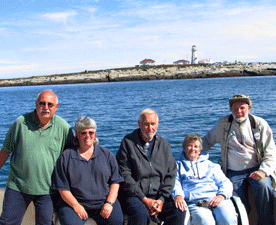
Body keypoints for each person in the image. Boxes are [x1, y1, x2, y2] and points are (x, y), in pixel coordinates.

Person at [0, 90, 74, 225]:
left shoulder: (64, 128)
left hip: (47, 190)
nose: (45, 107)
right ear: (36, 104)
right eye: (42, 103)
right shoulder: (21, 123)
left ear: (56, 107)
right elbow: (5, 152)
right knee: (7, 222)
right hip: (18, 187)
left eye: (50, 104)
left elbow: (71, 160)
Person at [202, 94, 276, 225]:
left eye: (242, 108)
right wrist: (190, 153)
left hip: (256, 169)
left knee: (265, 187)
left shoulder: (259, 124)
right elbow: (207, 141)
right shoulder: (223, 124)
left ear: (249, 107)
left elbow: (271, 152)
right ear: (230, 109)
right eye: (235, 108)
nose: (239, 112)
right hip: (233, 172)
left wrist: (263, 171)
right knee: (234, 199)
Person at [116, 108, 186, 225]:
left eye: (153, 124)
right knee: (140, 214)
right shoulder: (128, 143)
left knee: (178, 211)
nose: (150, 128)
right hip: (135, 195)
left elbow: (171, 174)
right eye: (146, 124)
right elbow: (125, 175)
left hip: (158, 196)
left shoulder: (164, 145)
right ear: (139, 124)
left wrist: (161, 200)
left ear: (157, 124)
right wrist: (144, 200)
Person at [52, 116, 124, 225]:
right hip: (74, 204)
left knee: (117, 221)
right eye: (83, 133)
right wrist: (76, 206)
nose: (88, 136)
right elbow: (63, 189)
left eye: (91, 132)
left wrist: (109, 203)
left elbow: (115, 182)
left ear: (95, 133)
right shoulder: (66, 157)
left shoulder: (107, 154)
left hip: (102, 202)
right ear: (77, 134)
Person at [172, 133, 237, 225]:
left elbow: (225, 182)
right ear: (184, 148)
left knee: (228, 218)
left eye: (196, 146)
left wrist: (221, 195)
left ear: (200, 150)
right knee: (205, 221)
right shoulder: (177, 166)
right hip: (195, 202)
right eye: (190, 146)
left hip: (216, 199)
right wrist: (177, 195)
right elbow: (175, 183)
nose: (193, 149)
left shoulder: (211, 165)